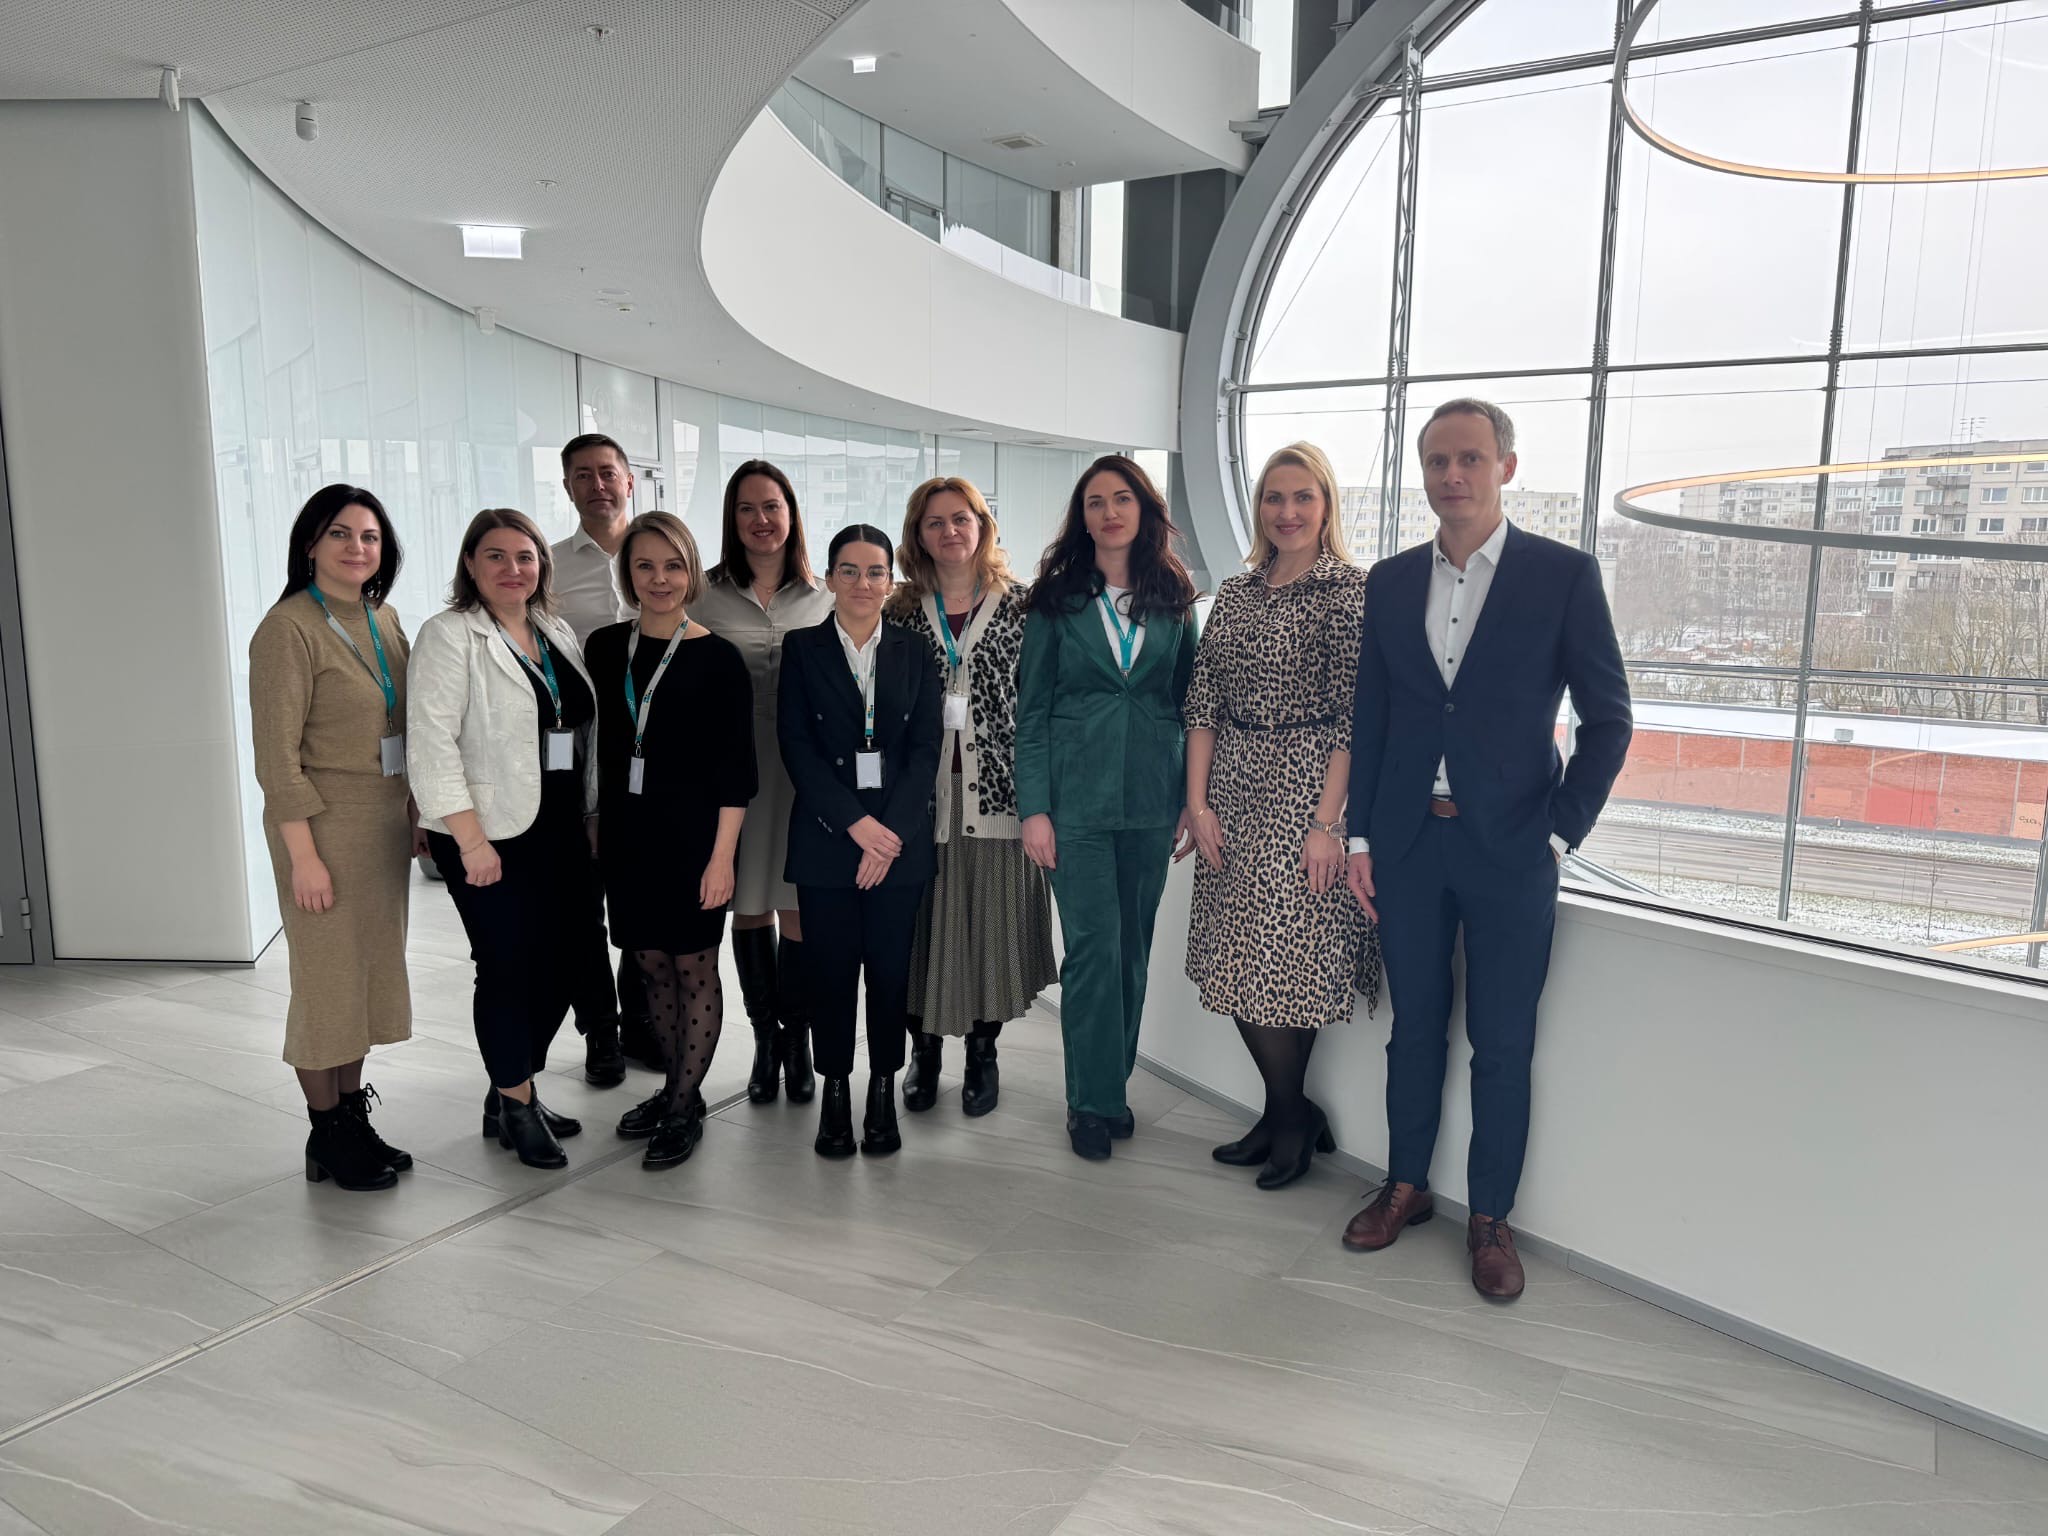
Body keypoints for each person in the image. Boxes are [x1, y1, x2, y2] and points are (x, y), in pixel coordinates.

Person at [1342, 398, 1631, 1300]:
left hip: (1512, 852)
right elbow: (1372, 715)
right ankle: (1406, 1186)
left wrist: (1559, 830)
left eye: (1470, 458)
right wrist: (1359, 833)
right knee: (1413, 1031)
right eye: (1437, 461)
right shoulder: (1390, 581)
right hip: (1406, 846)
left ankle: (1491, 1220)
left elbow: (1610, 720)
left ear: (1506, 466)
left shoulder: (1564, 576)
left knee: (1502, 1044)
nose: (1452, 475)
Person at [1180, 442, 1379, 1191]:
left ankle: (1290, 1118)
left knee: (1289, 960)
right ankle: (1286, 1111)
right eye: (1274, 497)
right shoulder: (1235, 592)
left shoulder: (1348, 591)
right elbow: (1203, 702)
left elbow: (1358, 716)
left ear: (1326, 507)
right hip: (1233, 788)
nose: (1287, 512)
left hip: (1307, 792)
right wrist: (1198, 803)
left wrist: (1328, 824)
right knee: (1239, 956)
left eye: (1303, 497)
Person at [1016, 455, 1199, 1161]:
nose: (1110, 512)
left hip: (1151, 798)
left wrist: (1189, 798)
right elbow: (1032, 715)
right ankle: (1090, 1102)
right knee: (1093, 950)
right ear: (1082, 517)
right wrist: (1035, 809)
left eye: (1122, 498)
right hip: (1075, 804)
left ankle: (1108, 1083)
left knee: (1132, 952)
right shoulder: (1055, 602)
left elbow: (1189, 706)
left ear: (1144, 509)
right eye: (1095, 502)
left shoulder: (1175, 597)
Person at [408, 508, 601, 1170]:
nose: (512, 568)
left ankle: (509, 1084)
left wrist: (592, 811)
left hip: (560, 826)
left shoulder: (554, 629)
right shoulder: (448, 635)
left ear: (542, 564)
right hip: (489, 834)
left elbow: (578, 729)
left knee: (565, 962)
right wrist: (469, 842)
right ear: (471, 564)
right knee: (506, 966)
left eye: (525, 556)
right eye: (495, 556)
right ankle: (517, 1107)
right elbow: (430, 742)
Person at [250, 485, 419, 1192]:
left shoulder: (384, 617)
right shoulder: (287, 629)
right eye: (341, 534)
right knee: (326, 985)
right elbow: (275, 758)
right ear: (311, 544)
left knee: (365, 978)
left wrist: (413, 810)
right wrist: (304, 857)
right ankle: (325, 1132)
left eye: (369, 536)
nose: (357, 547)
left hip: (382, 823)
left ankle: (351, 1116)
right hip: (320, 826)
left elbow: (405, 726)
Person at [584, 513, 756, 1170]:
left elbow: (737, 773)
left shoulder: (719, 658)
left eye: (673, 566)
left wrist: (722, 859)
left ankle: (685, 1104)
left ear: (691, 572)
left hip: (696, 841)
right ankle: (671, 1087)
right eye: (645, 566)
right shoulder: (605, 648)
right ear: (627, 573)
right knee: (650, 963)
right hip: (628, 838)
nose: (659, 579)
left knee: (693, 967)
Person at [885, 477, 1056, 1118]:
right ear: (918, 535)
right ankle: (923, 1053)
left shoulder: (1025, 606)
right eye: (935, 522)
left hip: (1001, 797)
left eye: (962, 518)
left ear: (983, 525)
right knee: (917, 931)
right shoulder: (899, 610)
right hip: (918, 800)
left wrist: (1043, 801)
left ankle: (984, 1054)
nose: (950, 531)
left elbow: (1041, 706)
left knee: (992, 930)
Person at [777, 524, 941, 1159]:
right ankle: (836, 1090)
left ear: (890, 581)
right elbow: (798, 747)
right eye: (849, 570)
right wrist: (857, 826)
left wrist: (888, 835)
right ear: (829, 577)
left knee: (891, 974)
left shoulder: (914, 649)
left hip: (898, 845)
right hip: (828, 841)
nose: (863, 583)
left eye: (875, 572)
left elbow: (925, 750)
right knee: (832, 973)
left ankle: (882, 1087)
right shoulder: (802, 648)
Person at [693, 461, 834, 1106]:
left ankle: (798, 1039)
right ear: (732, 518)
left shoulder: (824, 595)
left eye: (772, 506)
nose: (760, 519)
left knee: (798, 906)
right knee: (748, 903)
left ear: (791, 513)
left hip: (806, 772)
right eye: (746, 508)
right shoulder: (704, 594)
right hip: (733, 773)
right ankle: (764, 1041)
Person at [547, 432, 650, 1089]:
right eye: (582, 475)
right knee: (582, 907)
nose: (597, 485)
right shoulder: (549, 567)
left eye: (608, 472)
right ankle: (601, 1033)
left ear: (629, 481)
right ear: (567, 487)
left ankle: (641, 1020)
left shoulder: (665, 556)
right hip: (578, 755)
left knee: (643, 895)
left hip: (653, 756)